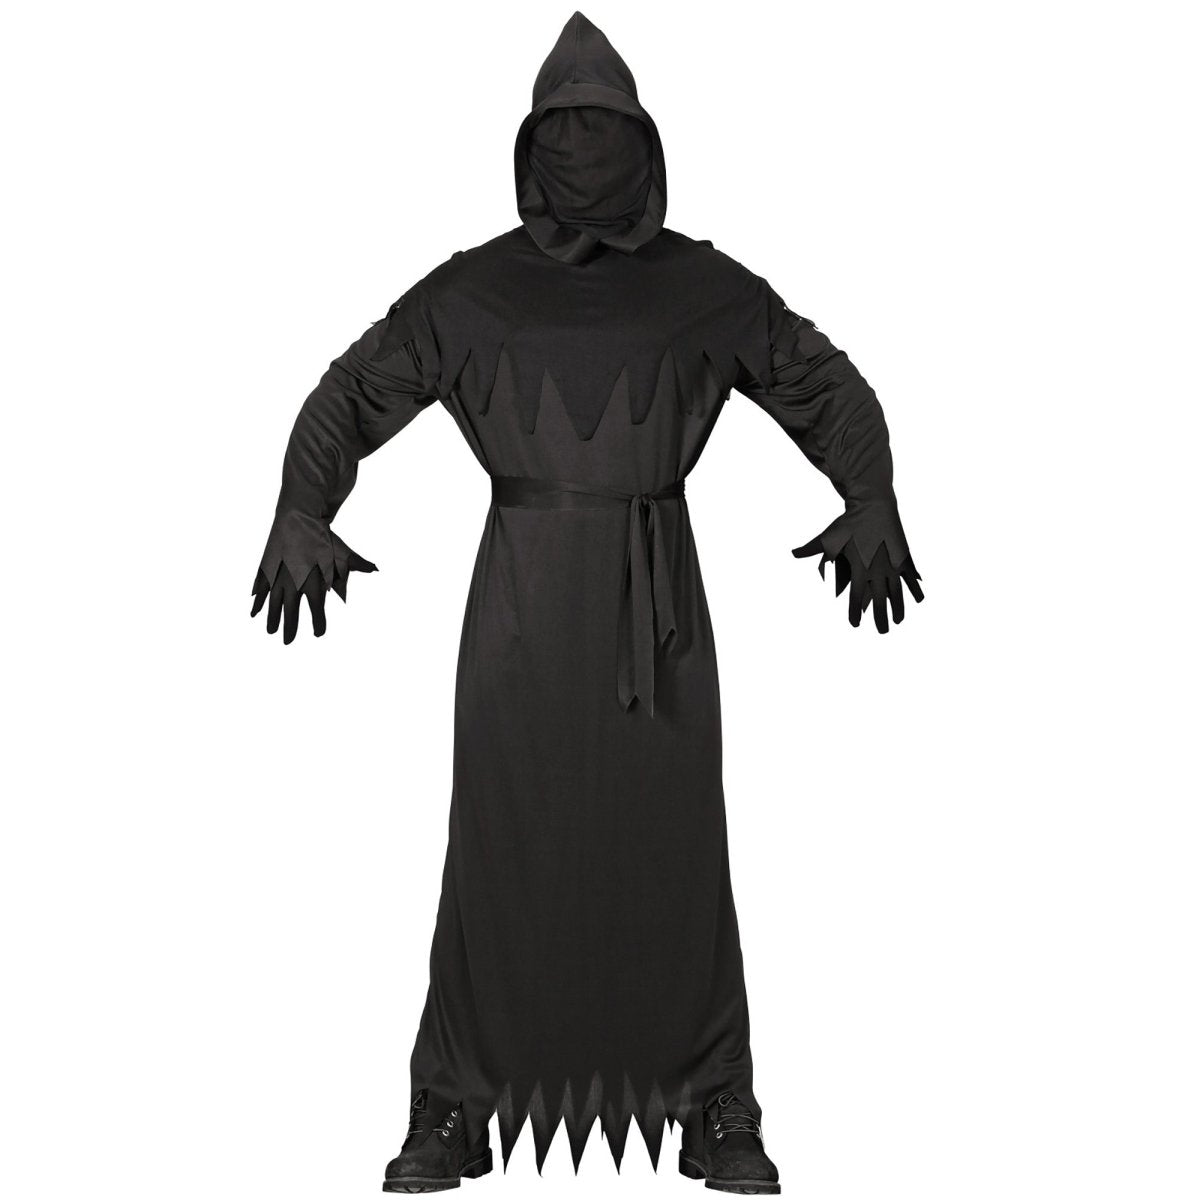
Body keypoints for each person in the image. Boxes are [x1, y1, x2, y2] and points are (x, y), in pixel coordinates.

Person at [250, 12, 922, 1196]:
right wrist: (303, 505)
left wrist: (869, 493)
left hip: (659, 618)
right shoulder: (471, 292)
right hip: (520, 611)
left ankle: (713, 1102)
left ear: (644, 144)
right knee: (501, 846)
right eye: (561, 130)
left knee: (674, 851)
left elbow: (820, 381)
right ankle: (456, 1104)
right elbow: (352, 391)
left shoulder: (707, 288)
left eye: (599, 128)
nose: (580, 147)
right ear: (529, 146)